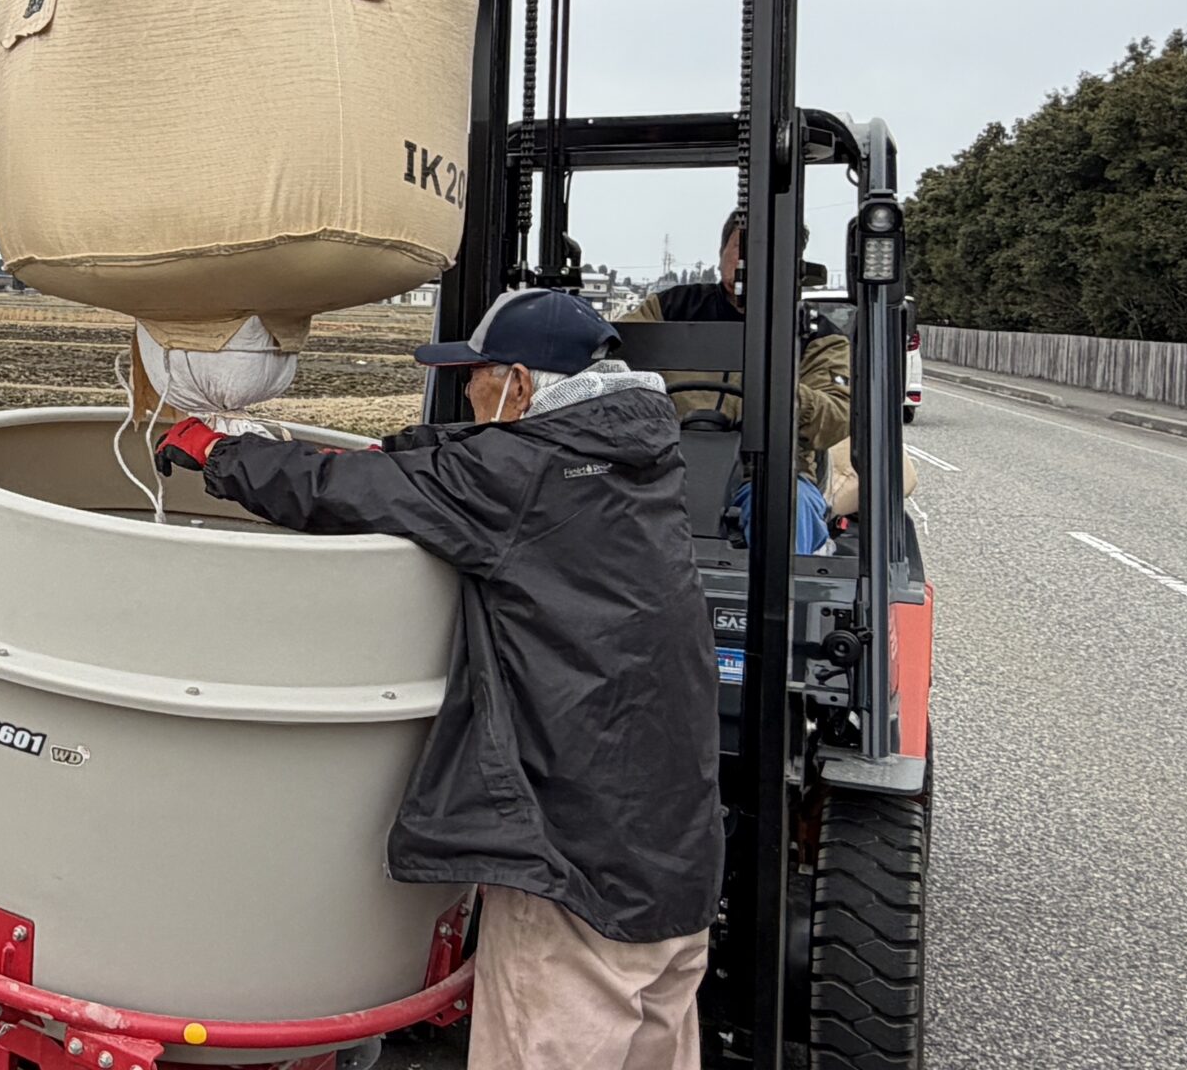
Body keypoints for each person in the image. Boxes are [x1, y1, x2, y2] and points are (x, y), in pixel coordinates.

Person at [156, 289, 722, 1070]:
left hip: (576, 869)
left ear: (519, 384)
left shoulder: (516, 477)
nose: (467, 394)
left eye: (475, 378)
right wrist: (388, 450)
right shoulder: (637, 458)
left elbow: (337, 494)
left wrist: (220, 454)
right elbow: (456, 465)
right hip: (675, 857)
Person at [623, 207, 850, 457]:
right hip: (667, 458)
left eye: (767, 250)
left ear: (793, 263)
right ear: (721, 254)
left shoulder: (817, 335)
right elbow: (614, 361)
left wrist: (778, 392)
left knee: (795, 485)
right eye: (741, 247)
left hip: (772, 465)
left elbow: (837, 417)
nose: (749, 260)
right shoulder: (668, 308)